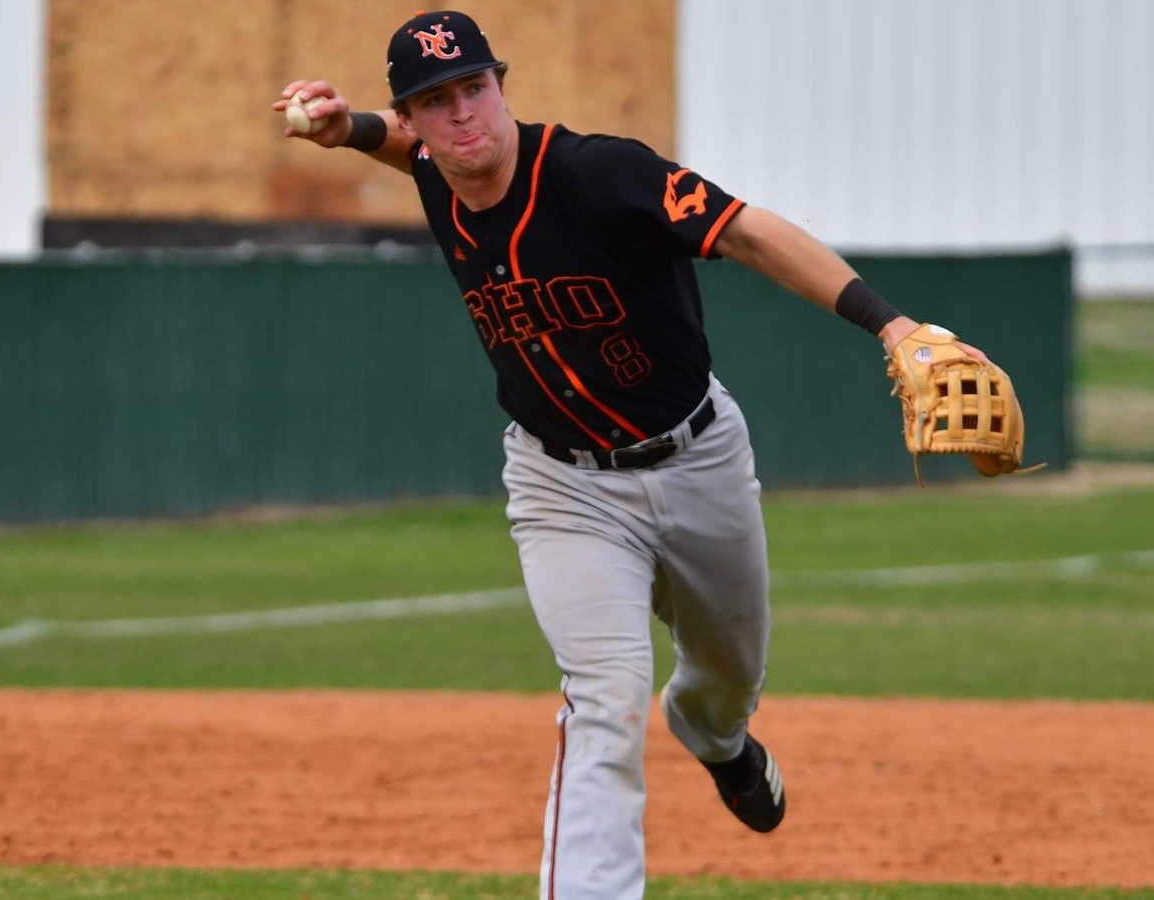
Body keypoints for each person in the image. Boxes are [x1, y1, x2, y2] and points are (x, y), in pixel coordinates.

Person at [273, 10, 990, 899]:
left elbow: (748, 231)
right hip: (560, 483)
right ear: (413, 118)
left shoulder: (598, 173)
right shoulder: (435, 170)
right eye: (435, 102)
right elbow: (409, 149)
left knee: (730, 675)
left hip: (698, 459)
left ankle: (715, 735)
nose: (463, 115)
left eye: (474, 87)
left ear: (502, 85)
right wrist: (349, 134)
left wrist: (893, 324)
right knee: (604, 699)